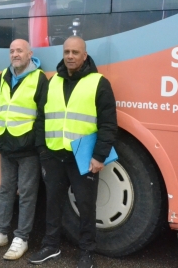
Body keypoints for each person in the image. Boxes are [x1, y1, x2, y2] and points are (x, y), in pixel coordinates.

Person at [28, 36, 117, 268]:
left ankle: (87, 252)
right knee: (53, 203)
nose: (70, 56)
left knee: (86, 206)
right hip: (54, 154)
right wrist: (42, 150)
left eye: (75, 52)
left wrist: (99, 156)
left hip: (83, 158)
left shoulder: (99, 82)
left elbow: (108, 124)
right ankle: (51, 246)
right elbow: (42, 118)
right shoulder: (53, 81)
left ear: (84, 55)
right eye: (66, 52)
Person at [0, 39, 48, 260]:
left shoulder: (39, 78)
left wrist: (35, 143)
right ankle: (1, 232)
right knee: (5, 191)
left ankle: (22, 237)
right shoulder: (3, 77)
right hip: (7, 146)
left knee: (27, 194)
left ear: (30, 54)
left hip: (28, 149)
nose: (15, 54)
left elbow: (43, 115)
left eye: (19, 50)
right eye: (11, 51)